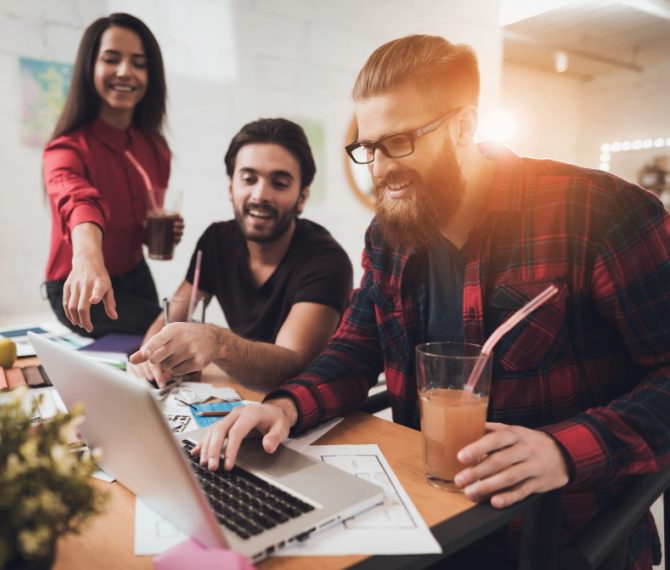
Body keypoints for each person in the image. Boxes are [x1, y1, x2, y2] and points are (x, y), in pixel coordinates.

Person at [195, 35, 670, 569]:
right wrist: (283, 407)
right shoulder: (387, 235)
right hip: (431, 521)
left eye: (398, 142)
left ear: (464, 126)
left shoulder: (600, 212)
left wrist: (562, 449)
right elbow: (353, 349)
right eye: (367, 148)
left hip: (560, 533)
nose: (378, 168)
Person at [128, 118, 353, 391]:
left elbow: (292, 365)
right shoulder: (216, 241)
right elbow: (171, 316)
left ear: (302, 197)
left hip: (307, 411)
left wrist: (217, 342)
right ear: (230, 187)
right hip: (244, 397)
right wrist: (149, 358)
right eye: (249, 179)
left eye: (279, 183)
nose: (260, 194)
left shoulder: (327, 262)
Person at [43, 13, 183, 338]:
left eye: (139, 62)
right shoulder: (65, 149)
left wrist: (154, 232)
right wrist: (89, 258)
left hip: (134, 274)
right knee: (172, 335)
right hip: (80, 284)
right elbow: (77, 201)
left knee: (173, 337)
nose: (125, 72)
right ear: (90, 66)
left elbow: (138, 228)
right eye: (111, 59)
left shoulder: (156, 149)